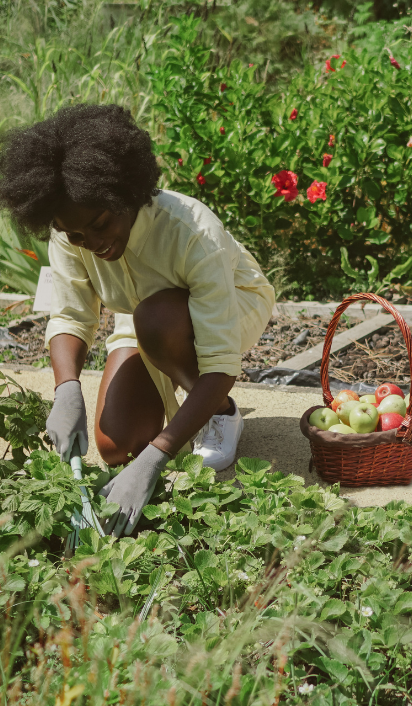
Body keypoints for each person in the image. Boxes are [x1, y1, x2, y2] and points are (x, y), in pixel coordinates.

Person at [0, 104, 275, 537]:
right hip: (144, 315)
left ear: (124, 193)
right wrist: (67, 390)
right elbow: (71, 315)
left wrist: (157, 456)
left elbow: (221, 362)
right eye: (77, 235)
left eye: (101, 224)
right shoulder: (70, 231)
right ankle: (175, 388)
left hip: (232, 304)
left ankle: (219, 414)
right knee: (116, 446)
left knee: (157, 320)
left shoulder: (192, 231)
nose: (92, 243)